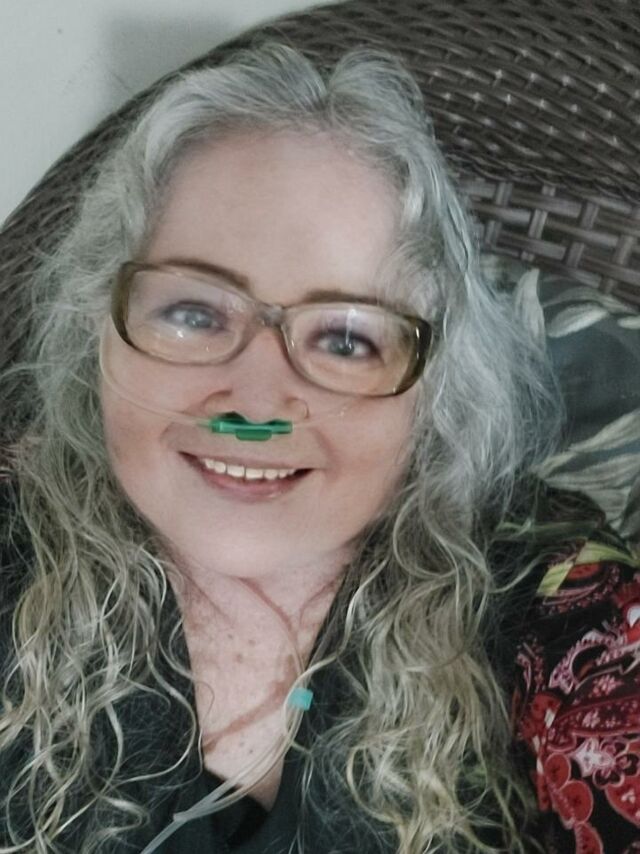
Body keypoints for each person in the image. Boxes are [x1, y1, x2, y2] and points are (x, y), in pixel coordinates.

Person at [0, 43, 637, 854]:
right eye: (194, 313)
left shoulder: (557, 597)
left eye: (344, 339)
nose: (256, 403)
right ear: (99, 329)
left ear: (433, 386)